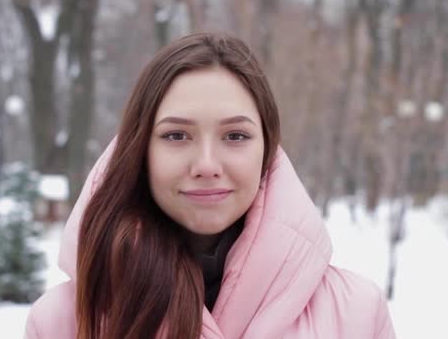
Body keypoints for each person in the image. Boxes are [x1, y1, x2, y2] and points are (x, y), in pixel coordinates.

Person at [24, 32, 396, 339]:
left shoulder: (355, 315)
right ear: (140, 150)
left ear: (267, 152)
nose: (206, 165)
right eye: (176, 135)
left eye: (234, 136)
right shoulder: (63, 322)